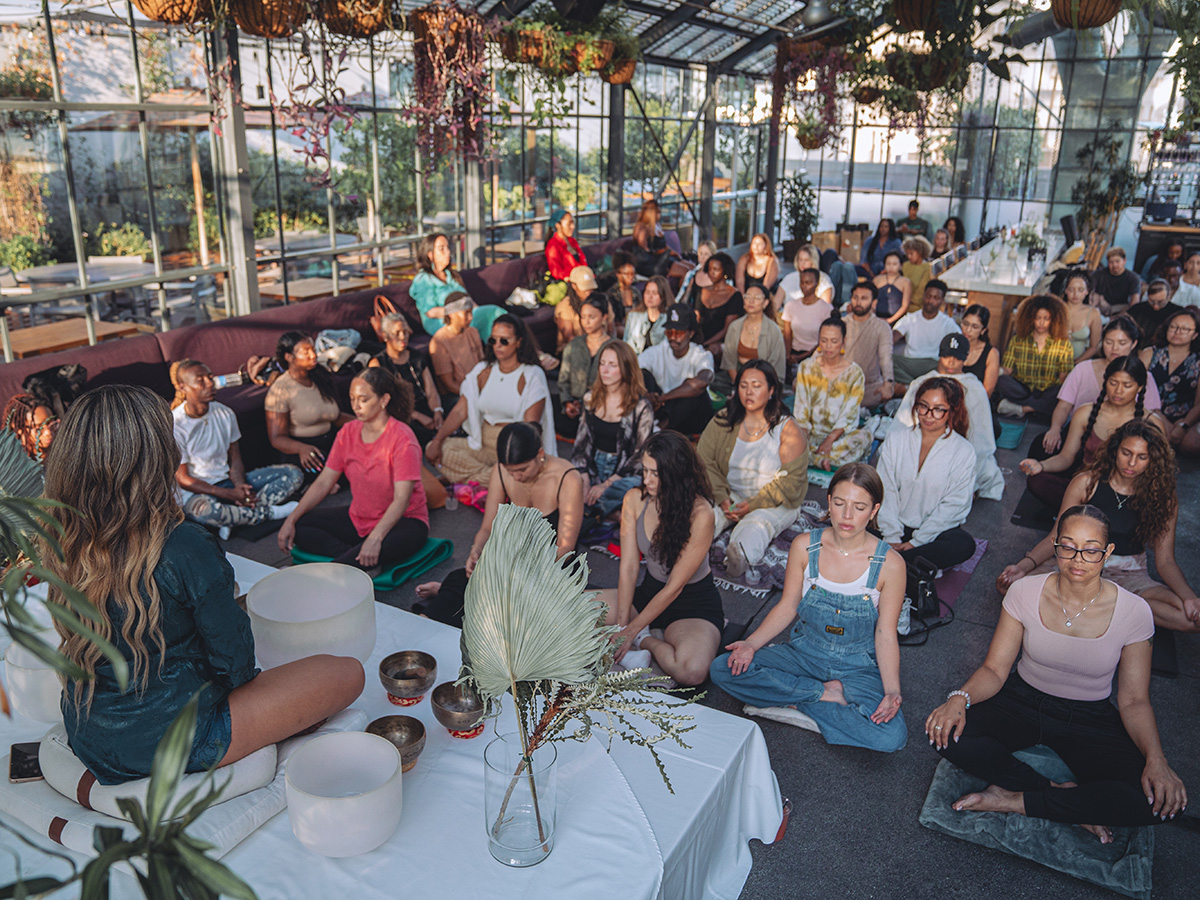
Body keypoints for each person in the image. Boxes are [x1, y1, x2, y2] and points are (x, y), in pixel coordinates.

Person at [44, 385, 363, 785]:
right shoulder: (182, 544)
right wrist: (274, 709)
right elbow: (236, 664)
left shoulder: (62, 538)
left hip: (91, 735)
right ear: (155, 457)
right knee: (346, 673)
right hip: (177, 737)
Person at [926, 505, 1186, 836]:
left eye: (1091, 550)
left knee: (1159, 802)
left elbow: (1134, 699)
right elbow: (994, 669)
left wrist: (1157, 760)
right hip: (1022, 699)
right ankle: (1058, 795)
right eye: (1068, 546)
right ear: (1056, 547)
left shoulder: (1135, 611)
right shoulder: (1024, 591)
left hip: (1089, 716)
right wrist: (958, 699)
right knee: (943, 732)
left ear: (1107, 553)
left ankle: (1016, 799)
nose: (1078, 558)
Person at [709, 463, 907, 752]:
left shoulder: (891, 564)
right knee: (721, 669)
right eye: (839, 503)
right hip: (805, 652)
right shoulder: (804, 546)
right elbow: (788, 606)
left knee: (892, 737)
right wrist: (750, 644)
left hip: (858, 665)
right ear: (828, 501)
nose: (847, 515)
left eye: (859, 507)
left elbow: (886, 634)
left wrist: (892, 692)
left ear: (875, 510)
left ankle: (794, 700)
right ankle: (825, 697)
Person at [998, 421, 1200, 635]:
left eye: (1142, 457)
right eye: (1126, 452)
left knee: (1190, 619)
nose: (1131, 463)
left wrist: (1190, 598)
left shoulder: (1163, 498)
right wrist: (1023, 566)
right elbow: (1057, 535)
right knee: (1011, 587)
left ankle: (1092, 607)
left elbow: (1166, 560)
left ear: (1153, 461)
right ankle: (1105, 611)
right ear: (1115, 451)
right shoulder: (1086, 482)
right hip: (1078, 562)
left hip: (1128, 574)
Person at [416, 422, 584, 628]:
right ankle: (423, 628)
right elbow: (487, 527)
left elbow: (564, 548)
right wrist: (476, 550)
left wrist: (514, 575)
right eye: (510, 471)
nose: (516, 477)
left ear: (540, 454)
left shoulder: (568, 478)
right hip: (514, 561)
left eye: (522, 469)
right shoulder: (501, 472)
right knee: (459, 578)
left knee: (508, 605)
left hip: (551, 570)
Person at [602, 430, 724, 686]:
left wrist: (633, 632)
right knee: (570, 610)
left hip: (692, 603)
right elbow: (628, 567)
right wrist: (621, 626)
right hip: (649, 592)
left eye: (655, 474)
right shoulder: (634, 499)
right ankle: (639, 632)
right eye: (645, 471)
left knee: (691, 672)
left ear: (677, 474)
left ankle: (646, 640)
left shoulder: (701, 513)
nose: (647, 480)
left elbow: (675, 586)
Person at [279, 368, 429, 573]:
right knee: (301, 527)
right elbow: (324, 482)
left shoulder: (403, 439)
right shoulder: (347, 432)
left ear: (384, 400)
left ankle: (355, 560)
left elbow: (402, 499)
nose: (356, 406)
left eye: (363, 399)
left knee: (339, 569)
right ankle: (359, 556)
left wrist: (376, 537)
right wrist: (291, 519)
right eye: (352, 399)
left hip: (405, 522)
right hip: (360, 519)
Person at [697, 360, 808, 576]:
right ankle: (685, 547)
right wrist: (722, 497)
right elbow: (704, 459)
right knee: (705, 517)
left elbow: (791, 483)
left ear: (771, 390)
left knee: (757, 525)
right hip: (731, 495)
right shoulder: (725, 419)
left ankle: (740, 555)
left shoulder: (787, 429)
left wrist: (754, 504)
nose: (749, 392)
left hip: (775, 502)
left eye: (756, 386)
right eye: (743, 385)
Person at [170, 360, 301, 539]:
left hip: (228, 482)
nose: (210, 384)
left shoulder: (225, 413)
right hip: (198, 492)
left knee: (293, 474)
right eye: (201, 381)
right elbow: (183, 479)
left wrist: (240, 486)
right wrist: (229, 494)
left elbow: (235, 458)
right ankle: (268, 513)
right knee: (202, 512)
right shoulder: (176, 425)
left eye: (210, 378)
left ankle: (233, 516)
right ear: (183, 387)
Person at [426, 315, 556, 486]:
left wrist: (516, 458)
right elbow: (459, 411)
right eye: (493, 340)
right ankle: (497, 482)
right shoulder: (483, 370)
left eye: (504, 341)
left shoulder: (531, 375)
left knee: (520, 469)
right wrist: (437, 440)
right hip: (484, 443)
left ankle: (480, 480)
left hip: (513, 446)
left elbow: (530, 427)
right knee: (439, 449)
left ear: (519, 342)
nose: (497, 346)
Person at [1019, 355, 1159, 511]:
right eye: (1113, 383)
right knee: (1037, 481)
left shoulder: (1152, 423)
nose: (1118, 391)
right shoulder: (1085, 412)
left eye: (1127, 385)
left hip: (1124, 495)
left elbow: (1156, 473)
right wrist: (1041, 465)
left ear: (1139, 387)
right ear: (1105, 382)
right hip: (1086, 488)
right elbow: (1066, 457)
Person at [877, 376, 977, 577]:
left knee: (964, 544)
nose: (929, 415)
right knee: (849, 523)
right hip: (893, 526)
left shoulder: (963, 451)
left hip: (933, 534)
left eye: (938, 409)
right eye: (923, 406)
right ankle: (906, 565)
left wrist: (917, 542)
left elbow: (955, 505)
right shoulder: (896, 440)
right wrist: (892, 535)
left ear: (952, 411)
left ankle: (889, 563)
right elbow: (884, 489)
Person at [894, 334, 1005, 501]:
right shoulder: (922, 383)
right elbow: (903, 425)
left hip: (958, 449)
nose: (951, 362)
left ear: (966, 358)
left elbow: (980, 436)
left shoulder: (974, 388)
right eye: (947, 356)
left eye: (957, 357)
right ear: (939, 355)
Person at [1038, 318, 1162, 456]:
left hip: (1124, 446)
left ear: (1134, 344)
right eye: (1109, 342)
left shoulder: (1144, 377)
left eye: (1122, 343)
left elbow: (1150, 417)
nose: (1115, 348)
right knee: (1041, 448)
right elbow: (1063, 406)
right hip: (1079, 436)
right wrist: (1055, 429)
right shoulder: (1082, 369)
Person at [571, 341, 654, 519]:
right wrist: (584, 478)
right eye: (602, 364)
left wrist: (606, 484)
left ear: (626, 368)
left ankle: (594, 511)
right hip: (594, 467)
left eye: (612, 365)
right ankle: (611, 515)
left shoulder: (641, 407)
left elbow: (640, 455)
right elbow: (580, 444)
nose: (605, 370)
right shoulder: (589, 399)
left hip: (623, 473)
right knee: (569, 479)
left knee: (637, 488)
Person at [264, 331, 352, 478]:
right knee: (332, 478)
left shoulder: (321, 377)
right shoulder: (280, 390)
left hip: (331, 442)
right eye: (306, 352)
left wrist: (365, 423)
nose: (313, 355)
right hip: (305, 451)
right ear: (289, 357)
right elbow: (277, 438)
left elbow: (335, 417)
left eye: (313, 350)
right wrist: (301, 448)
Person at [793, 315, 872, 470]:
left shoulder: (855, 373)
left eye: (834, 341)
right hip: (810, 435)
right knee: (788, 440)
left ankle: (811, 458)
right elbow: (801, 408)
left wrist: (830, 439)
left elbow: (850, 413)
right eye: (824, 340)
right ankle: (819, 459)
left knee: (864, 438)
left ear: (844, 341)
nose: (828, 346)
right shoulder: (806, 367)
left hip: (838, 438)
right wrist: (803, 439)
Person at [994, 295, 1076, 420]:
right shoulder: (1018, 340)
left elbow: (1064, 378)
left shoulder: (1063, 344)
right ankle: (1041, 409)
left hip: (1048, 391)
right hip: (1023, 389)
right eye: (1037, 318)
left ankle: (1022, 409)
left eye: (1046, 318)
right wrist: (997, 371)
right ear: (1030, 318)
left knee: (1061, 391)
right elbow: (1007, 370)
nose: (1041, 323)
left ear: (1054, 320)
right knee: (1001, 381)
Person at [638, 303, 716, 435]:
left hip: (690, 418)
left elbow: (703, 381)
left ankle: (658, 431)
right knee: (642, 374)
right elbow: (632, 370)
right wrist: (647, 395)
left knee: (694, 390)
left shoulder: (701, 355)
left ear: (690, 333)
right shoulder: (657, 351)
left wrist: (663, 398)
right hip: (661, 410)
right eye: (669, 332)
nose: (673, 337)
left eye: (678, 332)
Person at [370, 312, 444, 446]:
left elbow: (431, 391)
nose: (403, 337)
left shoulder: (417, 357)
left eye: (405, 331)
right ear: (386, 336)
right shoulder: (378, 363)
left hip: (424, 409)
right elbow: (383, 404)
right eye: (396, 333)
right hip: (400, 415)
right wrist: (417, 416)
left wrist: (437, 411)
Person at [1140, 306, 1200, 457]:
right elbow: (1137, 389)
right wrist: (1162, 419)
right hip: (1151, 410)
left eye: (1185, 329)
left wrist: (1183, 425)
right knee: (1160, 437)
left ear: (1195, 335)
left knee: (1191, 444)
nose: (1178, 331)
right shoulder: (1150, 353)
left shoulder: (1198, 361)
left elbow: (1199, 404)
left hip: (1184, 416)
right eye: (1173, 327)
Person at [557, 294, 612, 436]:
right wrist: (567, 402)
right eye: (583, 317)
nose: (586, 322)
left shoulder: (614, 347)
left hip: (603, 408)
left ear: (604, 317)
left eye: (592, 317)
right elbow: (563, 379)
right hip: (575, 407)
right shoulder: (574, 344)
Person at [719, 284, 787, 394]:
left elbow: (774, 367)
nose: (751, 301)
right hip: (738, 376)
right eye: (748, 297)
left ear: (765, 303)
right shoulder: (735, 327)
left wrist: (753, 387)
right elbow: (729, 361)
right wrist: (740, 385)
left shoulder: (773, 330)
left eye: (757, 298)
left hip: (764, 379)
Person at [891, 279, 962, 385]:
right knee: (887, 359)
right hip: (910, 362)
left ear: (942, 301)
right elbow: (892, 337)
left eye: (936, 298)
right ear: (923, 296)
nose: (930, 301)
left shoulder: (947, 323)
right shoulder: (911, 318)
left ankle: (910, 386)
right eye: (928, 296)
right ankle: (915, 385)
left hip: (933, 364)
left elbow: (960, 343)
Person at [844, 282, 895, 407]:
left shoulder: (882, 327)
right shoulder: (841, 323)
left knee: (884, 391)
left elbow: (886, 357)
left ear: (874, 303)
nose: (858, 302)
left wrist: (888, 383)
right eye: (855, 297)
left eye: (864, 298)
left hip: (868, 387)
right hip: (839, 383)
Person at [427, 292, 484, 398]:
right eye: (466, 313)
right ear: (452, 314)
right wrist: (473, 395)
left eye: (471, 312)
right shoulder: (439, 341)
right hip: (456, 394)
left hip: (479, 387)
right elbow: (449, 384)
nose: (470, 317)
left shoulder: (473, 332)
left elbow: (483, 364)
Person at [410, 232, 465, 334]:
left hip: (464, 317)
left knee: (492, 313)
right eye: (441, 249)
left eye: (448, 247)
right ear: (430, 255)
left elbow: (468, 300)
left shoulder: (451, 276)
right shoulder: (423, 279)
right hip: (442, 324)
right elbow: (431, 312)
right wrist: (460, 312)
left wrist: (477, 311)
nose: (448, 252)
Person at [690, 251, 743, 358]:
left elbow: (727, 329)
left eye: (716, 269)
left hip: (720, 342)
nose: (711, 273)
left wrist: (705, 344)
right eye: (709, 269)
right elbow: (696, 318)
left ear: (725, 271)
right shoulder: (702, 291)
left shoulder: (734, 296)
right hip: (699, 337)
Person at [779, 268, 833, 364]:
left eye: (808, 283)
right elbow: (787, 336)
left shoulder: (826, 309)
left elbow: (824, 339)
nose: (804, 286)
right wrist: (788, 356)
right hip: (793, 353)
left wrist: (801, 357)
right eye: (802, 282)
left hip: (816, 355)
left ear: (817, 284)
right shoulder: (791, 306)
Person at [632, 199, 684, 278]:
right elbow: (645, 250)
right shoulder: (641, 228)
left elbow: (664, 246)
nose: (660, 215)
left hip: (664, 258)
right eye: (658, 212)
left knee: (691, 267)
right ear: (652, 213)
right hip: (653, 263)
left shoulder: (657, 226)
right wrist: (665, 252)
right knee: (686, 271)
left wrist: (674, 253)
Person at [555, 265, 601, 352]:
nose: (588, 293)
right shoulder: (565, 306)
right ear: (574, 286)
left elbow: (611, 329)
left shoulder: (600, 301)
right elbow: (569, 337)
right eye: (585, 289)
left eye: (590, 288)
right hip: (574, 349)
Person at [1127, 279, 1183, 349]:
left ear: (1169, 297)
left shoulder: (1178, 312)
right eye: (1152, 301)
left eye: (1160, 302)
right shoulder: (1137, 309)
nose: (1155, 306)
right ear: (1147, 296)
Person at [960, 304, 1000, 397]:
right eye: (965, 324)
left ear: (983, 330)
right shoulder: (954, 344)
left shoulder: (991, 354)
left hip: (977, 402)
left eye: (975, 327)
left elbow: (987, 392)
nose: (968, 330)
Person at [1061, 270, 1102, 362]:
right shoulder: (1057, 310)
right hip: (1054, 361)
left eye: (1081, 290)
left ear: (1087, 291)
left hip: (1080, 362)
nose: (1076, 294)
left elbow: (1094, 347)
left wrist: (1077, 363)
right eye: (1071, 290)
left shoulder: (1093, 314)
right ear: (1066, 290)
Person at [1090, 247, 1141, 316]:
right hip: (1101, 305)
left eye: (1117, 261)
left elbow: (1135, 302)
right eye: (1111, 262)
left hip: (1121, 307)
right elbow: (1091, 292)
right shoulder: (1098, 274)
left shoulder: (1133, 278)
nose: (1114, 265)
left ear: (1124, 261)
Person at [625, 274, 669, 354]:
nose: (650, 297)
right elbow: (627, 343)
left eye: (654, 293)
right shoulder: (633, 316)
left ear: (663, 296)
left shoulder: (669, 318)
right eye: (647, 292)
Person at [544, 208, 586, 281]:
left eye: (573, 223)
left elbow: (583, 262)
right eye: (569, 224)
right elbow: (557, 273)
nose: (573, 226)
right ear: (558, 225)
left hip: (584, 278)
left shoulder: (572, 241)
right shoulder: (553, 245)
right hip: (572, 283)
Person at [874, 250, 913, 323]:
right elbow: (872, 300)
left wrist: (889, 320)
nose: (891, 267)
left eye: (894, 264)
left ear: (900, 265)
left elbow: (905, 306)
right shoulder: (877, 279)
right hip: (877, 318)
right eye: (888, 264)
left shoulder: (905, 282)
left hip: (897, 320)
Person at [674, 239, 716, 305]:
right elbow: (680, 296)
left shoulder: (719, 275)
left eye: (706, 254)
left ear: (712, 256)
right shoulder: (691, 275)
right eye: (701, 253)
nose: (703, 257)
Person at [606, 250, 638, 324]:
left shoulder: (636, 292)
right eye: (627, 274)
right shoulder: (612, 294)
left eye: (633, 274)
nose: (631, 277)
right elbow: (613, 322)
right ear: (618, 274)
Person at [900, 236, 932, 309]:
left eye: (911, 253)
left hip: (917, 306)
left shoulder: (927, 268)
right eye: (907, 254)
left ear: (920, 252)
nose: (909, 256)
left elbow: (921, 291)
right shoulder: (905, 265)